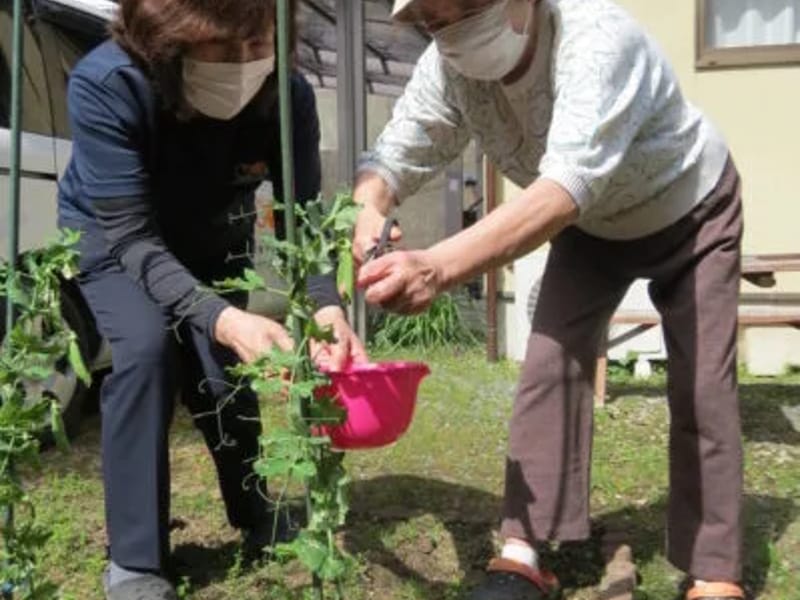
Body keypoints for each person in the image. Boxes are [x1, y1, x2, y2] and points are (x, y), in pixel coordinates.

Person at [354, 1, 745, 599]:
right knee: (547, 364)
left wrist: (437, 267)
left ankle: (714, 568)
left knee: (702, 386)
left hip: (690, 208)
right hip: (594, 229)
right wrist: (369, 202)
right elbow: (396, 152)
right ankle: (525, 551)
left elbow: (564, 188)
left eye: (453, 10)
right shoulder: (449, 65)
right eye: (429, 20)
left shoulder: (597, 38)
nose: (446, 33)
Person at [57, 1, 366, 598]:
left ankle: (256, 511)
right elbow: (133, 238)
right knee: (146, 353)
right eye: (224, 49)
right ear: (168, 45)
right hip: (118, 236)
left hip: (213, 231)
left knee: (223, 374)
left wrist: (326, 302)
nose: (247, 62)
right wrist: (222, 317)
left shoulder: (285, 96)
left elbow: (302, 218)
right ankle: (137, 559)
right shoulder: (108, 84)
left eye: (259, 45)